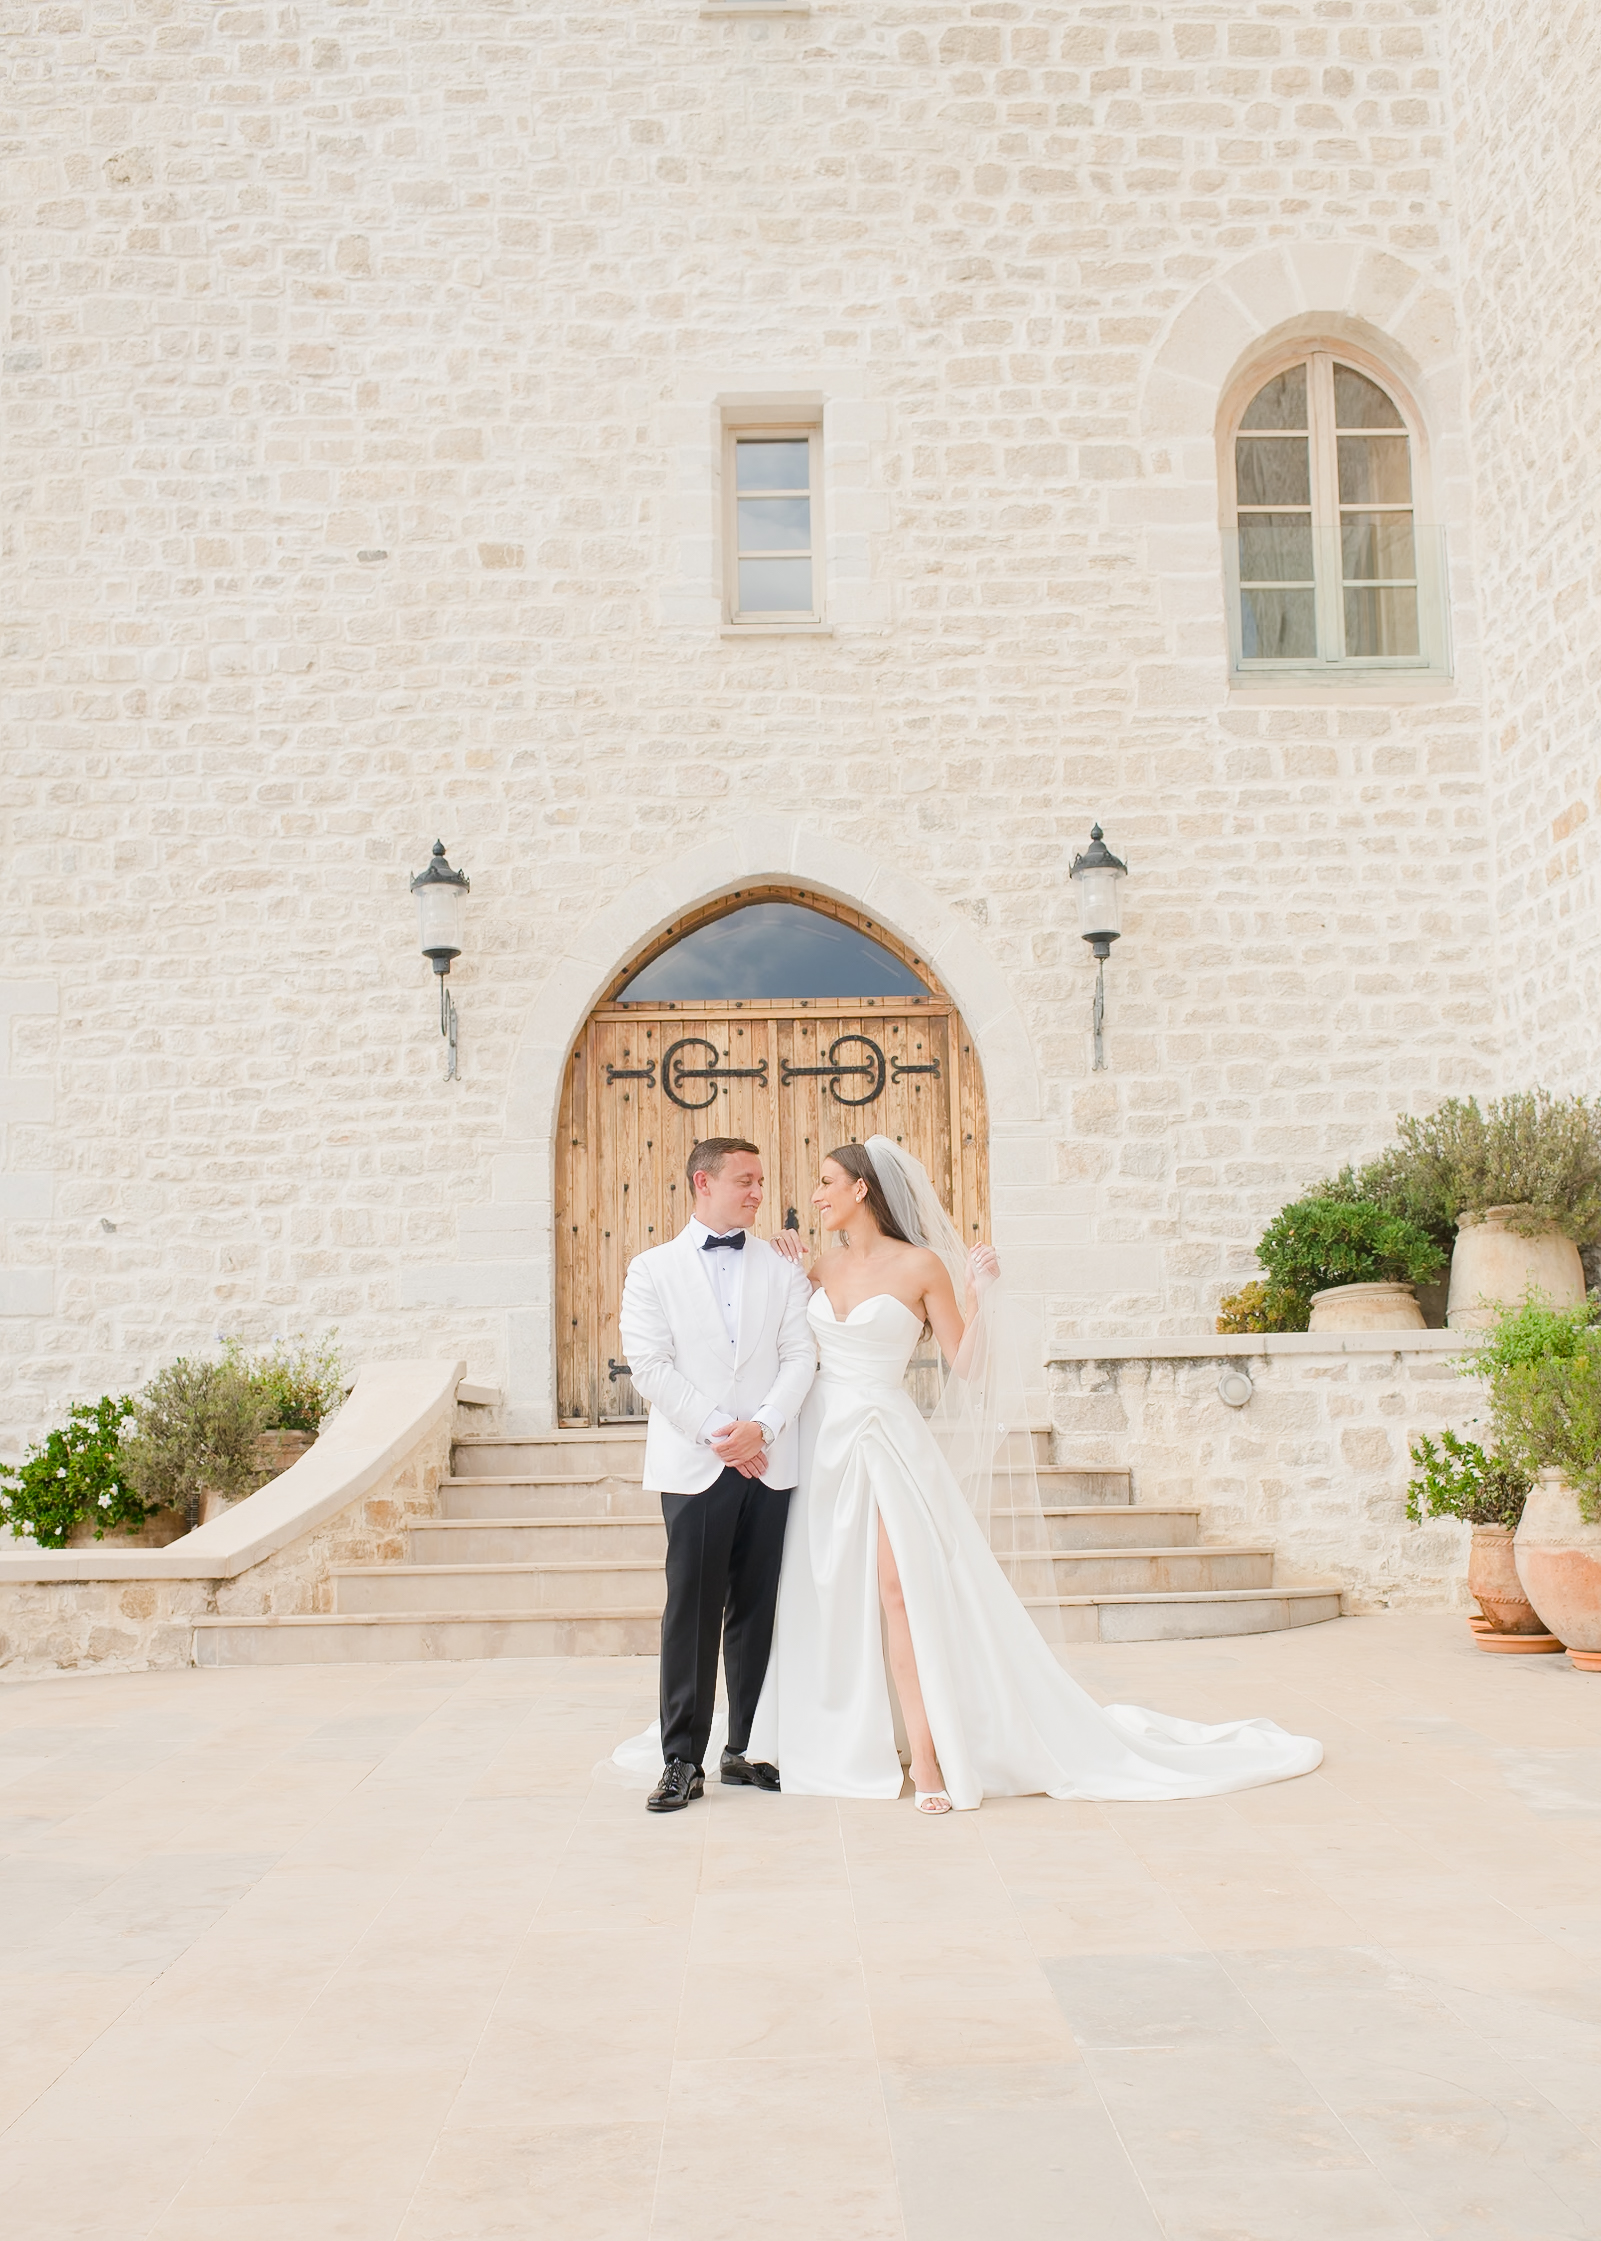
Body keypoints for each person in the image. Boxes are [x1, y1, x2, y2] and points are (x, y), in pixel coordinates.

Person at [742, 1136, 1322, 1812]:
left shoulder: (920, 1265)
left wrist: (979, 1296)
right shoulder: (819, 1268)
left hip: (884, 1437)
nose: (815, 1195)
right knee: (830, 1591)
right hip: (822, 1441)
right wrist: (783, 1269)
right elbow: (788, 1352)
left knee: (901, 1590)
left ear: (862, 1188)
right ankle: (841, 1735)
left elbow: (969, 1366)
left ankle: (928, 1756)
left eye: (825, 1181)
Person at [617, 1136, 816, 1813]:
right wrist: (719, 1434)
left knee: (758, 1609)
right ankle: (681, 1759)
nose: (758, 1192)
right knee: (692, 1610)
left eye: (760, 1179)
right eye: (745, 1180)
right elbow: (649, 1365)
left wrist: (763, 1425)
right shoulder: (651, 1269)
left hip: (771, 1461)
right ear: (704, 1182)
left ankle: (745, 1746)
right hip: (694, 1461)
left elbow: (799, 1356)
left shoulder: (782, 1267)